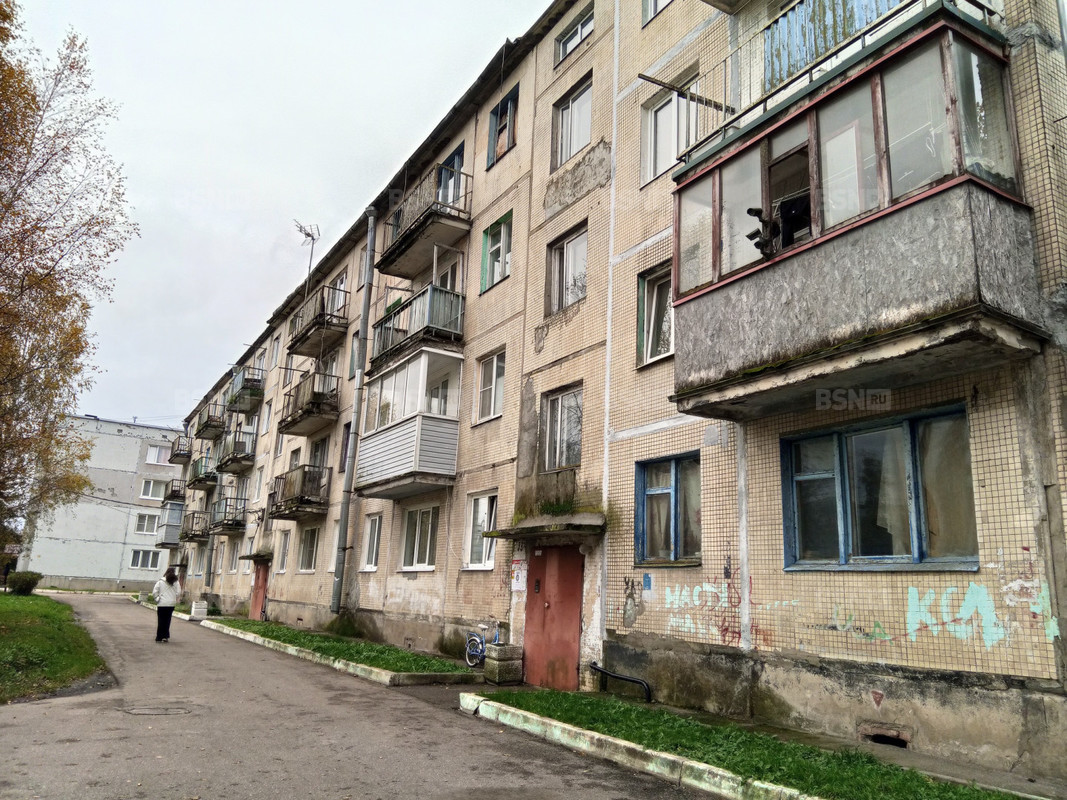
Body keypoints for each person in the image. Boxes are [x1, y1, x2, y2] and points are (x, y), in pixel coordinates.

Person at [151, 567, 181, 643]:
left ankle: (159, 637)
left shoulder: (160, 581)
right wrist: (173, 596)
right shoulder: (176, 582)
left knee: (161, 620)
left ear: (166, 572)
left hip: (162, 603)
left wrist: (157, 598)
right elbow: (178, 592)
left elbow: (155, 592)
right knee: (167, 620)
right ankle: (165, 636)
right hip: (171, 604)